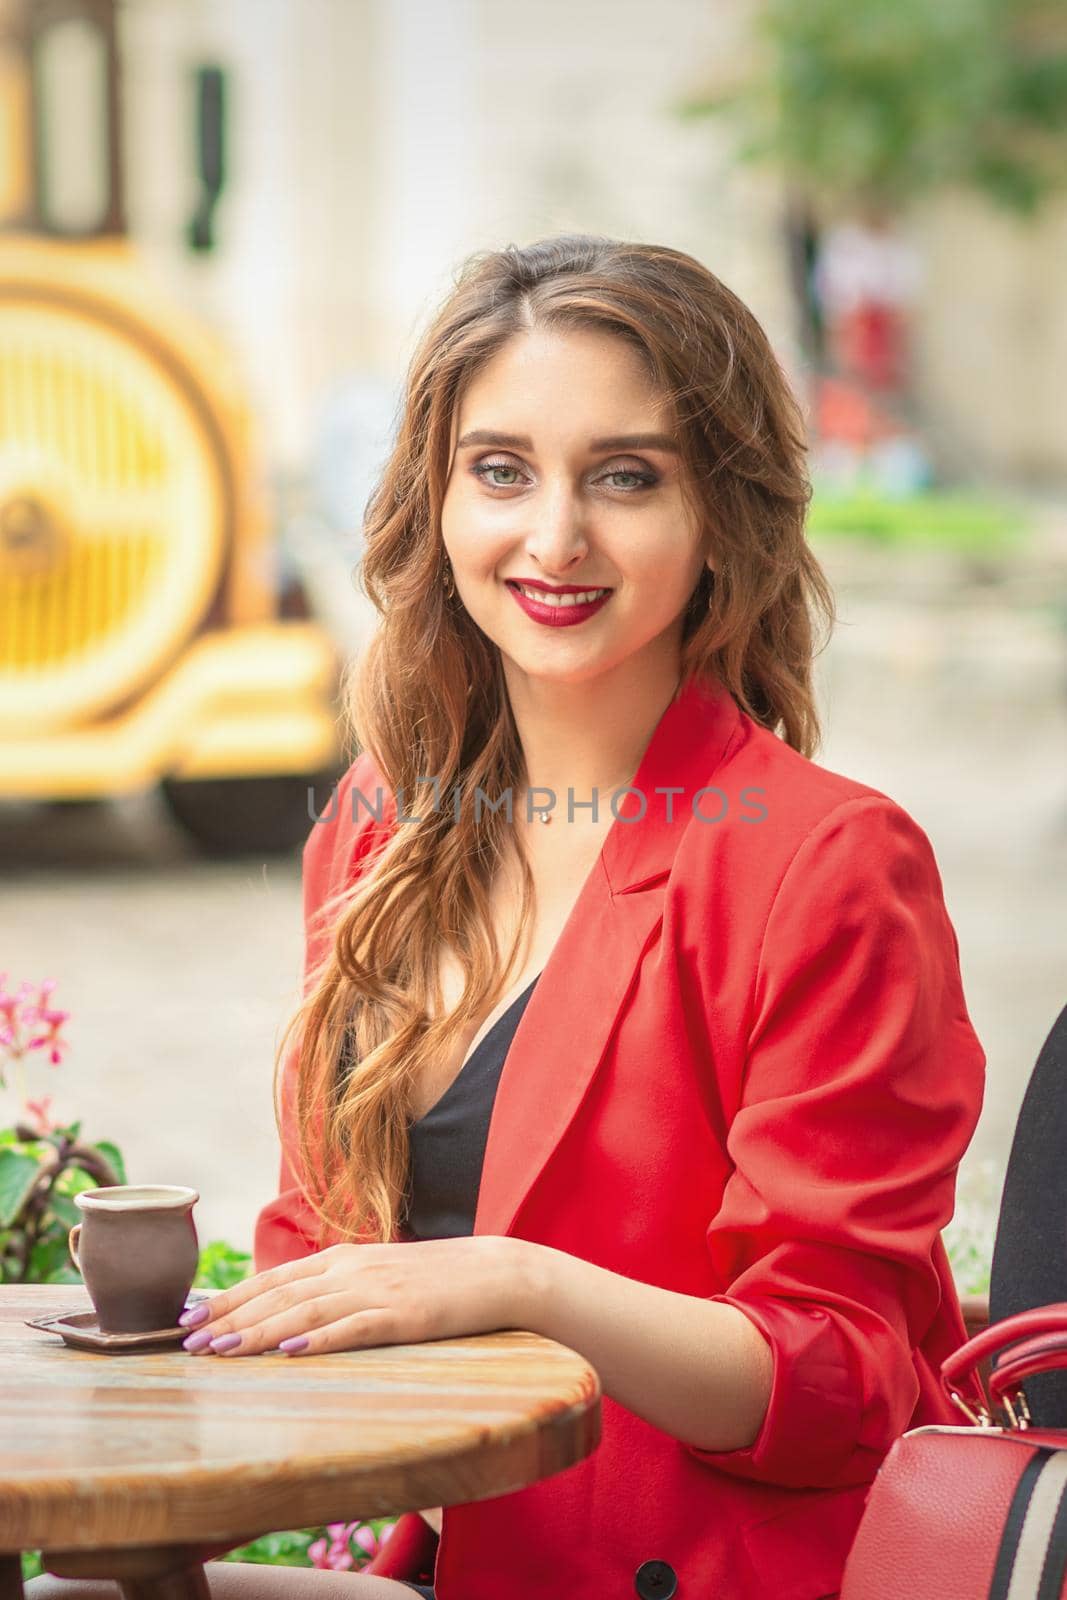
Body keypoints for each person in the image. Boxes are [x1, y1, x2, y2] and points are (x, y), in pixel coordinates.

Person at [27, 233, 987, 1600]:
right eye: (502, 471)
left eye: (626, 477)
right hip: (463, 1551)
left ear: (722, 514)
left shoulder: (827, 864)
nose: (553, 538)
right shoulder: (383, 826)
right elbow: (322, 1247)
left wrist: (516, 1282)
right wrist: (144, 1470)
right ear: (438, 497)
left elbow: (837, 1376)